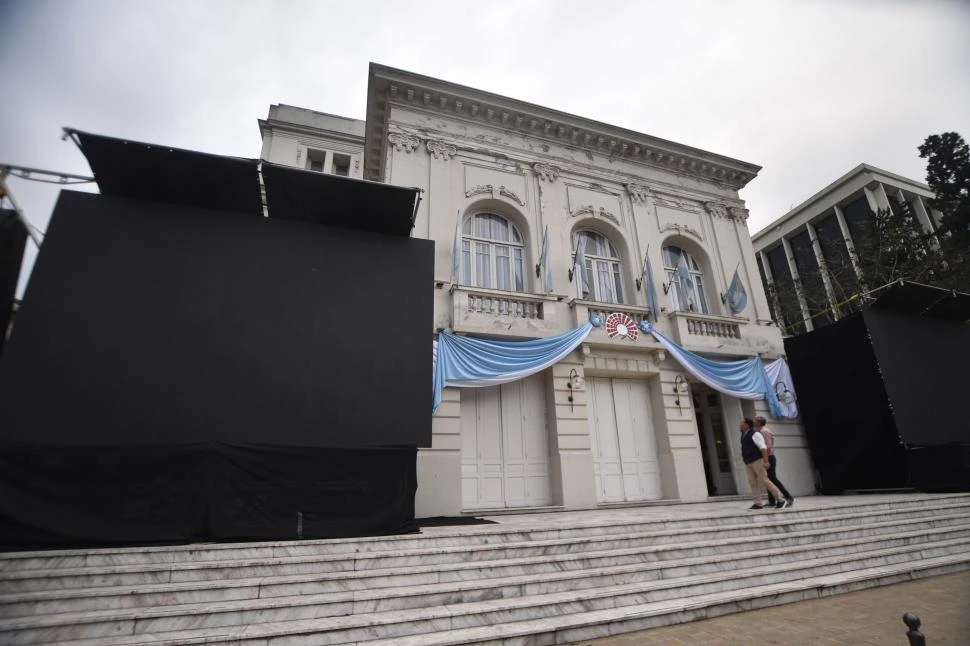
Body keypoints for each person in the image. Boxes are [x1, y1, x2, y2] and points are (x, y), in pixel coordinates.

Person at [738, 417, 788, 510]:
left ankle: (780, 500)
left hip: (757, 461)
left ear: (746, 425)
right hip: (748, 462)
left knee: (765, 480)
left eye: (741, 423)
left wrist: (765, 461)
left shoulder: (755, 434)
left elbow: (763, 448)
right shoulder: (743, 435)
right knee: (752, 483)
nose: (739, 425)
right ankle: (758, 503)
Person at [754, 416, 795, 508]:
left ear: (760, 423)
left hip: (769, 457)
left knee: (773, 479)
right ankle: (772, 501)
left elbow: (768, 447)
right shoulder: (760, 431)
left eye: (755, 421)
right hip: (767, 457)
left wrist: (766, 460)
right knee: (768, 479)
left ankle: (789, 497)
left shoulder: (764, 432)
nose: (754, 422)